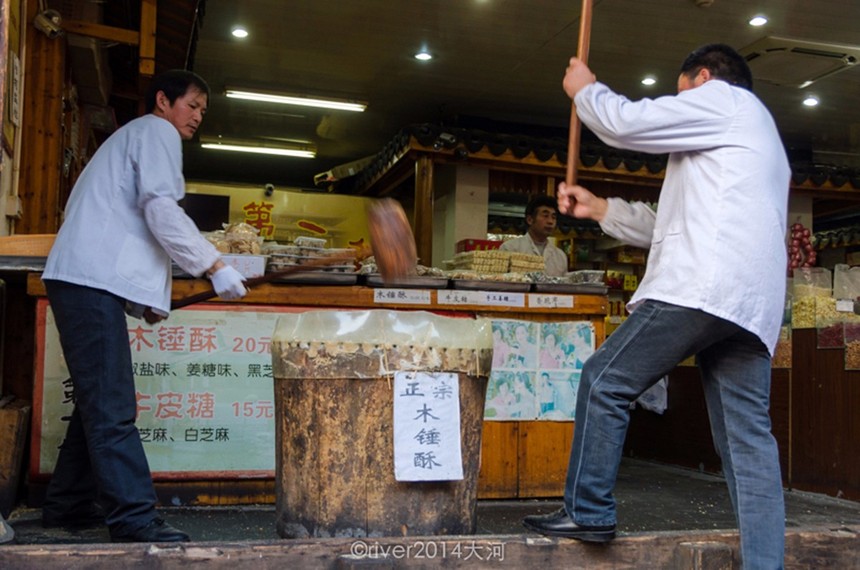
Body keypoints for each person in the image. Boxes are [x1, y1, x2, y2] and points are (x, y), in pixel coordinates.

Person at [522, 44, 789, 570]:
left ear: (704, 77)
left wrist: (585, 92)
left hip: (703, 286)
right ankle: (766, 565)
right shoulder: (756, 140)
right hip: (748, 307)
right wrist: (599, 208)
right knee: (747, 446)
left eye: (679, 88)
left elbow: (625, 124)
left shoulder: (723, 101)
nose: (677, 100)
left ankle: (589, 509)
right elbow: (671, 225)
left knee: (604, 379)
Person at [40, 70, 248, 543]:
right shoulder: (156, 131)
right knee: (113, 405)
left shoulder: (128, 138)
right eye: (192, 105)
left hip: (84, 280)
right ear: (162, 100)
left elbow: (121, 224)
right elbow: (160, 209)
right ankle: (134, 519)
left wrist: (142, 301)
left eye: (202, 110)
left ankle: (68, 506)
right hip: (86, 281)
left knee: (99, 400)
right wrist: (213, 265)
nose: (197, 116)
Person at [499, 195, 568, 276]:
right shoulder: (510, 248)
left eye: (553, 217)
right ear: (530, 220)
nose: (550, 221)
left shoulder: (560, 256)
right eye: (545, 216)